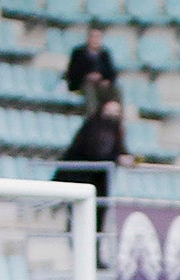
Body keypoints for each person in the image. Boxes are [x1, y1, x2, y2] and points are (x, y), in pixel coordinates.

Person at [54, 99, 131, 267]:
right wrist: (117, 159)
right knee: (80, 221)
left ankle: (93, 257)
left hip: (99, 183)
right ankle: (83, 257)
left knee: (96, 222)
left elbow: (117, 150)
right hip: (81, 180)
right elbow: (95, 152)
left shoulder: (114, 130)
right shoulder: (95, 128)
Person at [64, 24, 119, 115]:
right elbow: (72, 72)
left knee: (116, 90)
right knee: (90, 89)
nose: (95, 39)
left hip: (100, 84)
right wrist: (87, 76)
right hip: (81, 84)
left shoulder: (105, 54)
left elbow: (111, 72)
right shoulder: (78, 53)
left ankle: (116, 117)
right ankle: (92, 117)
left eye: (97, 37)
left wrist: (105, 80)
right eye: (93, 36)